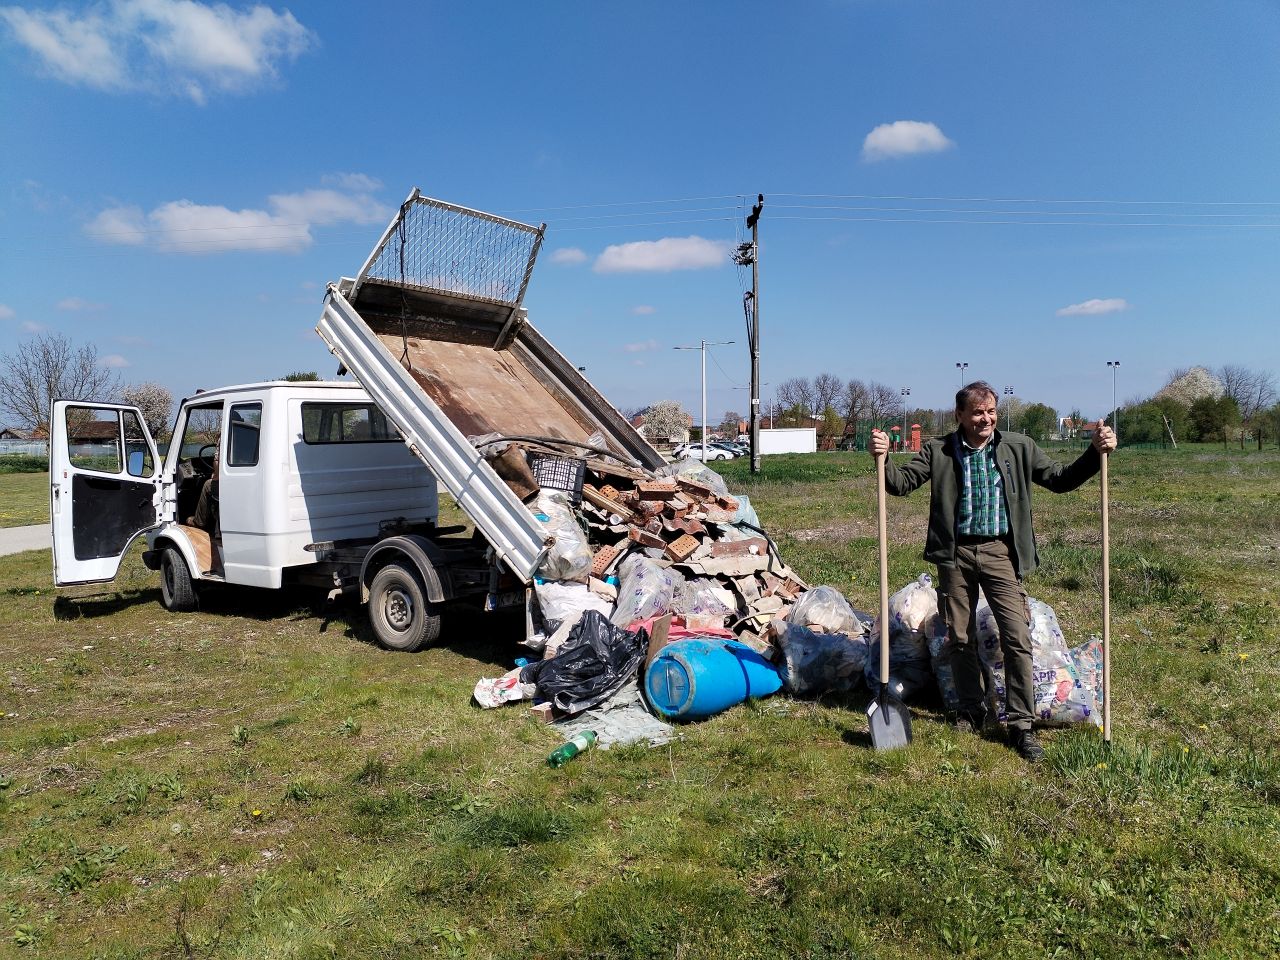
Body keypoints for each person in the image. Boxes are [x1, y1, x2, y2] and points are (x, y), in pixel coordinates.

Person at [869, 381, 1116, 762]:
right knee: (960, 636)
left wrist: (1093, 452)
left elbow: (1060, 480)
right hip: (955, 554)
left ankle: (1021, 724)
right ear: (960, 416)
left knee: (1017, 636)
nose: (985, 419)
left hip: (1002, 552)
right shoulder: (940, 450)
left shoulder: (1018, 446)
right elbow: (900, 485)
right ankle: (970, 709)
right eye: (978, 412)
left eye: (991, 412)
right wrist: (883, 458)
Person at [187, 451, 219, 535]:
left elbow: (217, 463)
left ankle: (199, 522)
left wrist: (215, 474)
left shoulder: (222, 439)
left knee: (208, 484)